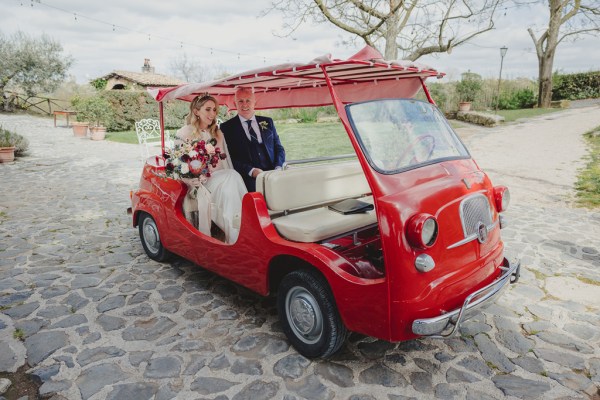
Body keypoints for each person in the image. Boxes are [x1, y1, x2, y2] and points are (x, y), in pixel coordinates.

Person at [175, 94, 247, 244]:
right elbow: (179, 165)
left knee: (230, 182)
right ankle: (240, 233)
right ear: (196, 111)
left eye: (214, 110)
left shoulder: (217, 133)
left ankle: (238, 232)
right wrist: (191, 178)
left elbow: (223, 162)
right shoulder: (185, 133)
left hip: (217, 177)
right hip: (198, 182)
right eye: (208, 109)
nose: (212, 114)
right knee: (231, 177)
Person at [220, 87, 285, 192]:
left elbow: (279, 148)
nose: (244, 104)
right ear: (235, 104)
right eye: (240, 101)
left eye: (248, 100)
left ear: (255, 102)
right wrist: (251, 171)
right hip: (247, 177)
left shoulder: (268, 122)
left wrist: (278, 167)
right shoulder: (227, 127)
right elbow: (228, 157)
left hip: (273, 173)